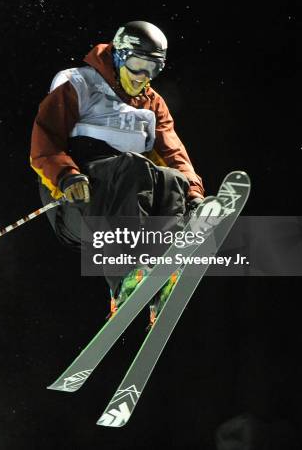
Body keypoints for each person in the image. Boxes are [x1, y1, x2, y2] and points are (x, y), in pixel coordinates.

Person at [30, 21, 204, 325]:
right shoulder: (78, 84)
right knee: (134, 167)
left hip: (125, 201)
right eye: (137, 65)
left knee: (170, 180)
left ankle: (160, 276)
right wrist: (66, 176)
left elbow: (173, 154)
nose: (143, 77)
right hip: (78, 203)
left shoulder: (153, 104)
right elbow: (45, 141)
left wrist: (192, 191)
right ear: (120, 55)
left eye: (153, 68)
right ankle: (124, 278)